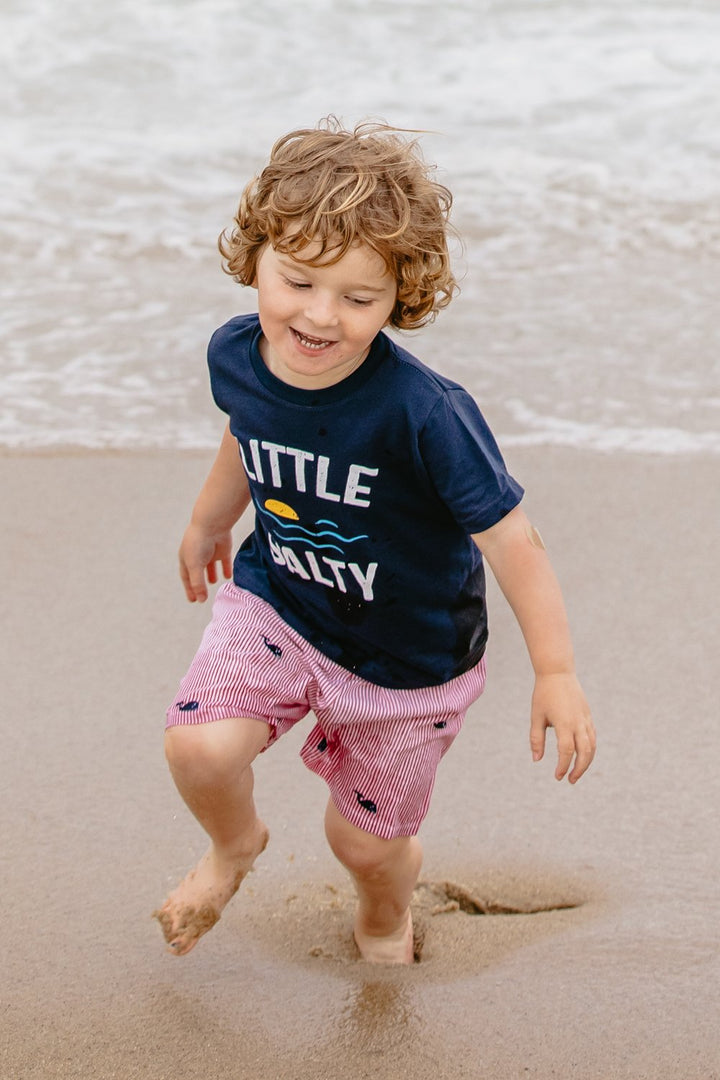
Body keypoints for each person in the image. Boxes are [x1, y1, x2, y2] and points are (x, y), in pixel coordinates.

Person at [153, 119, 596, 965]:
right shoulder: (239, 356)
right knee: (200, 746)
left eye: (358, 299)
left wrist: (557, 670)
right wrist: (213, 516)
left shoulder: (426, 413)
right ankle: (234, 846)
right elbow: (247, 432)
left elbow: (512, 539)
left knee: (365, 845)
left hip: (408, 660)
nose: (319, 316)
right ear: (255, 260)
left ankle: (385, 918)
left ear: (402, 298)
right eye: (298, 281)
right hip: (279, 604)